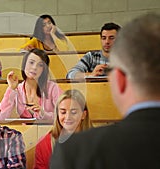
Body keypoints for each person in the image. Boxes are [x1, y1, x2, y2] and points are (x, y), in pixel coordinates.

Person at [50, 13, 160, 169]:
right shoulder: (91, 57)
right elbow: (71, 74)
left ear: (119, 81)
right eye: (103, 37)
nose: (107, 41)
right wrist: (90, 74)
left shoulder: (75, 151)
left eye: (111, 38)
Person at [0, 48, 63, 120]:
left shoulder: (53, 88)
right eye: (31, 63)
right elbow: (0, 117)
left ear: (44, 70)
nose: (34, 67)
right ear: (24, 64)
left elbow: (64, 115)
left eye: (40, 65)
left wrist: (43, 114)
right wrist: (11, 89)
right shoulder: (17, 89)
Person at [34, 89, 92, 169]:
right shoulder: (44, 144)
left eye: (73, 112)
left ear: (83, 115)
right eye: (63, 112)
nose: (68, 117)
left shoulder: (98, 142)